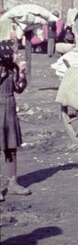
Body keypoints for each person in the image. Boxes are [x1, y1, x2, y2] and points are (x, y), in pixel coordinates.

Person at [0, 39, 30, 201]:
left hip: (10, 109)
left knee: (11, 148)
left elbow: (19, 89)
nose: (17, 55)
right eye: (15, 52)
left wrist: (22, 74)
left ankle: (13, 184)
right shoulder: (2, 69)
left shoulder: (12, 69)